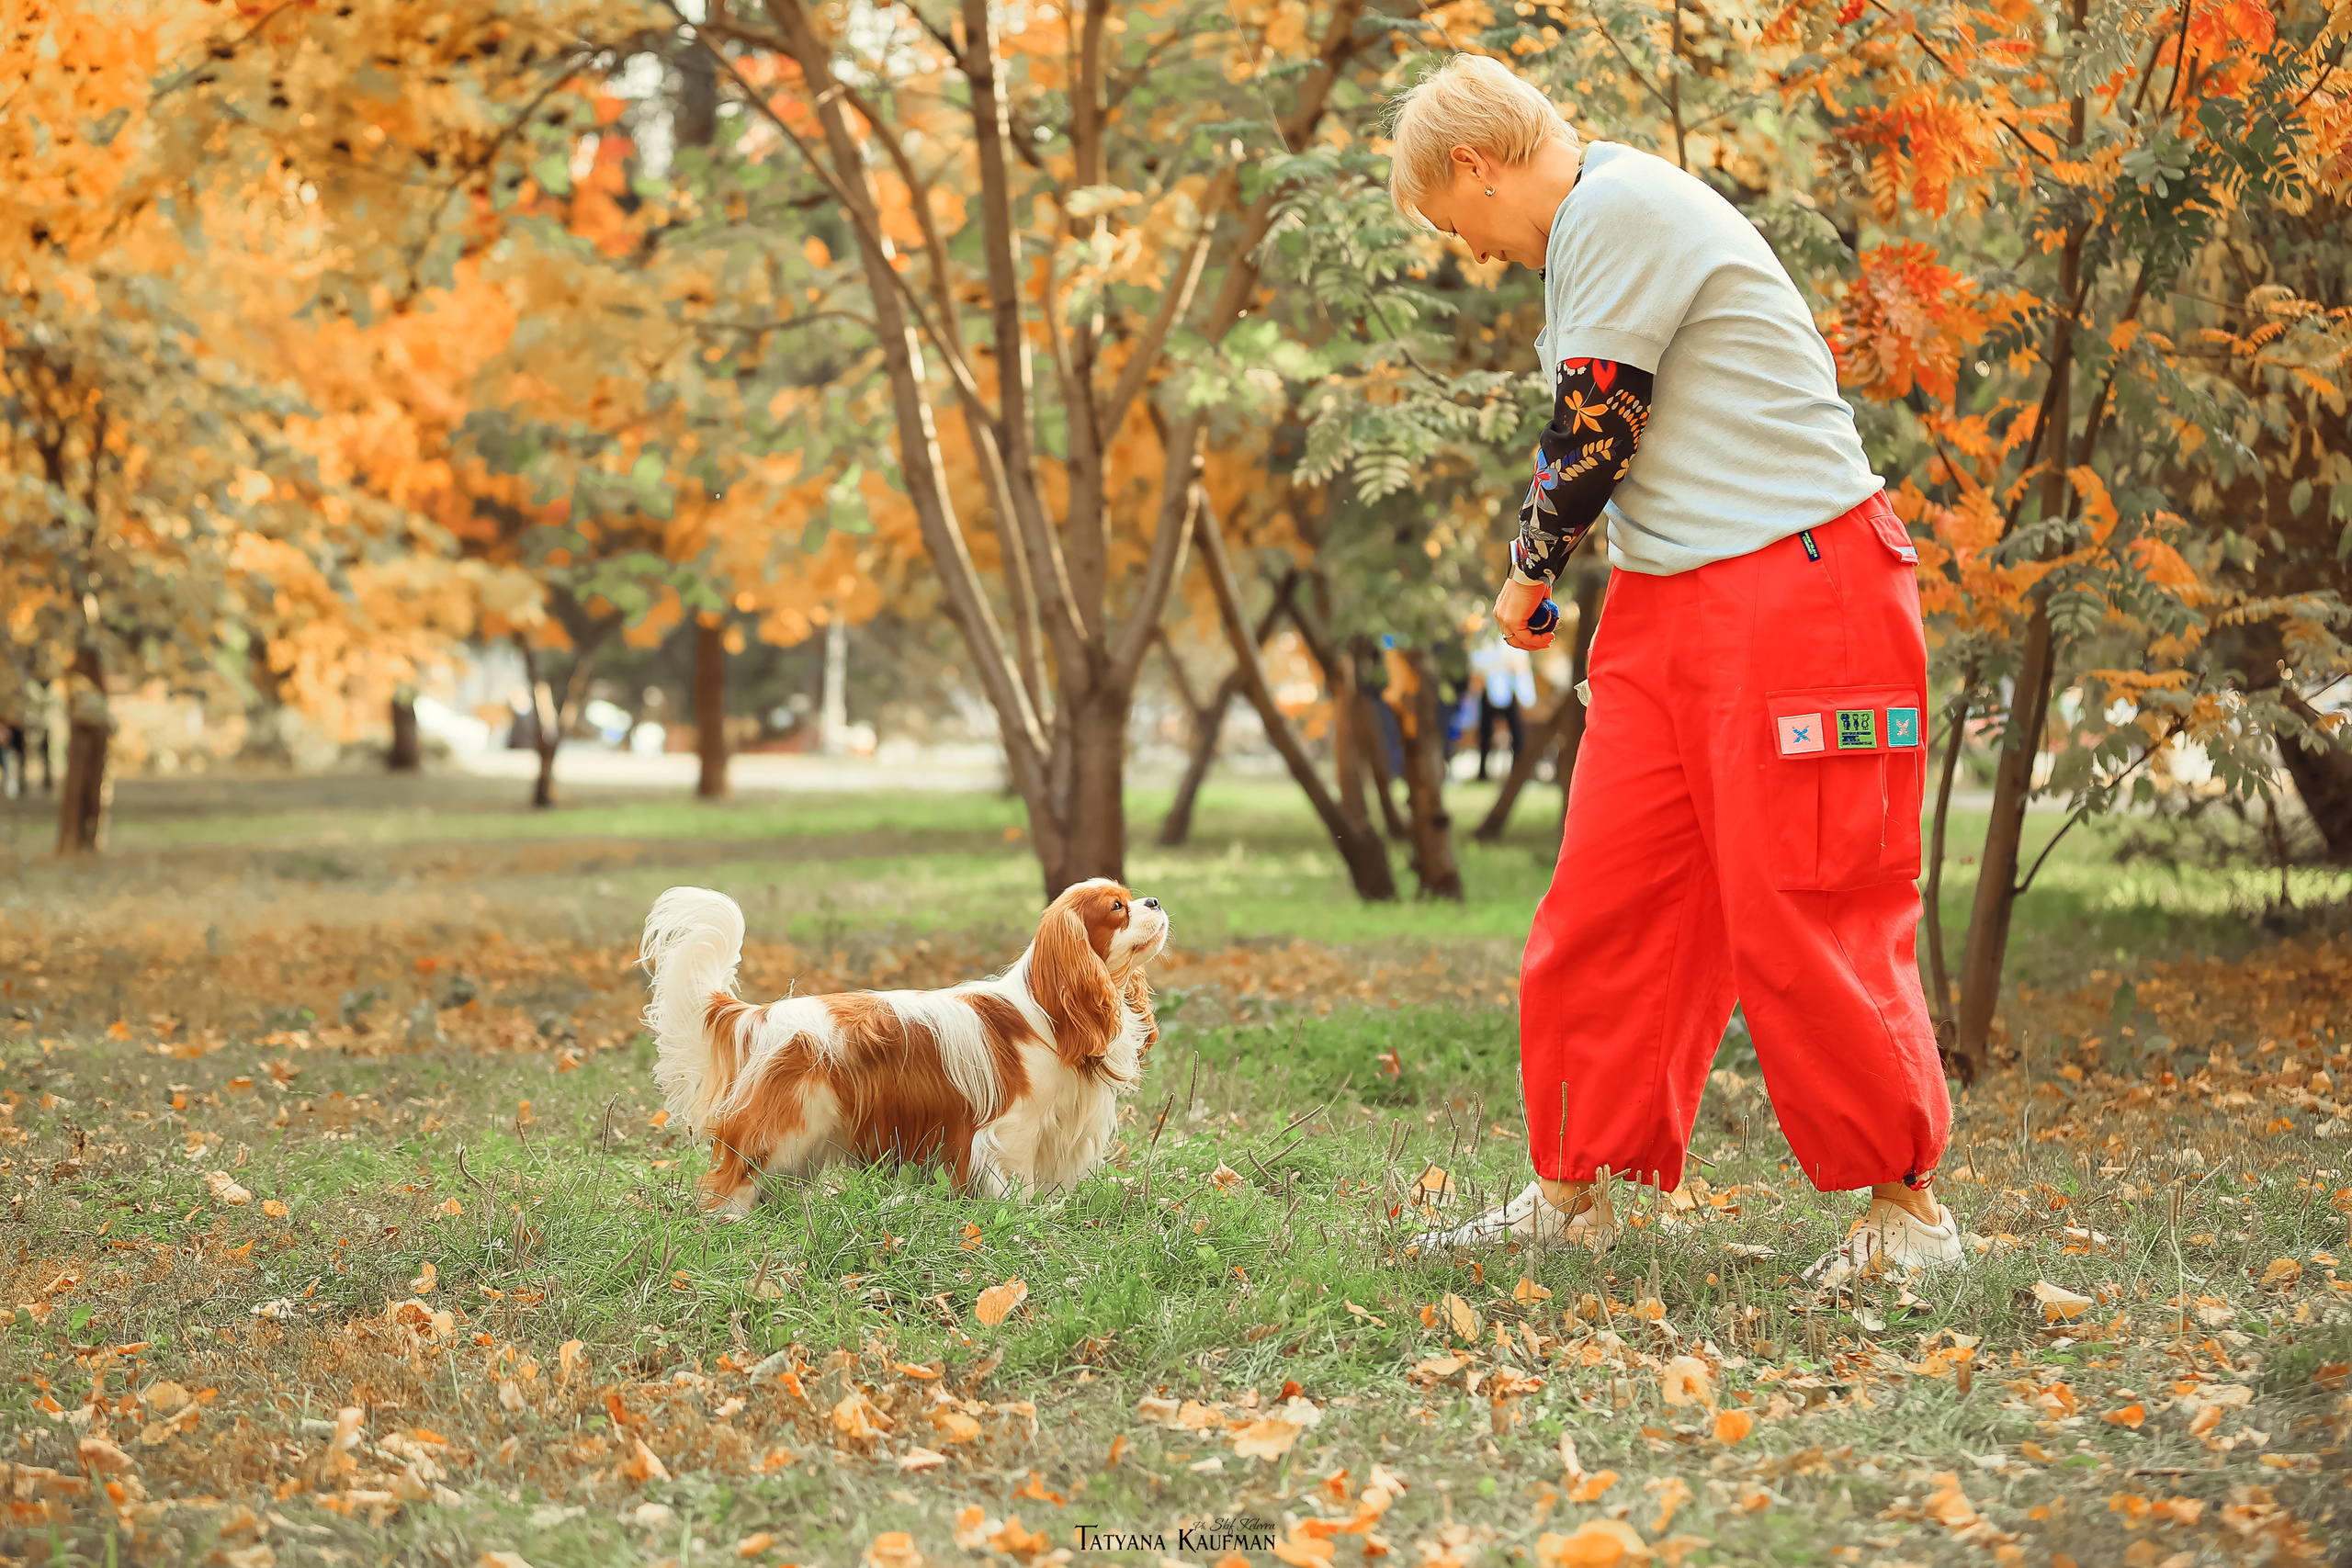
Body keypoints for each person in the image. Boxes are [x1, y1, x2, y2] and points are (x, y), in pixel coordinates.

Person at [1386, 55, 1958, 1280]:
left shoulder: (1616, 207)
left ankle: (1907, 1214)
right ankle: (1571, 1186)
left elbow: (1596, 422)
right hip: (1669, 605)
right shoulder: (1592, 230)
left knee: (1810, 896)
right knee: (1608, 898)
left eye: (1454, 220)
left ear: (1473, 166)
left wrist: (1525, 575)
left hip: (1801, 584)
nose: (1473, 249)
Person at [1469, 637, 1536, 781]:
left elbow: (1519, 664)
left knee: (1517, 733)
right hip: (1488, 690)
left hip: (1509, 690)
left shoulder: (1512, 640)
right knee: (1485, 734)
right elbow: (1477, 667)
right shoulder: (1484, 641)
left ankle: (1517, 770)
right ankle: (1482, 773)